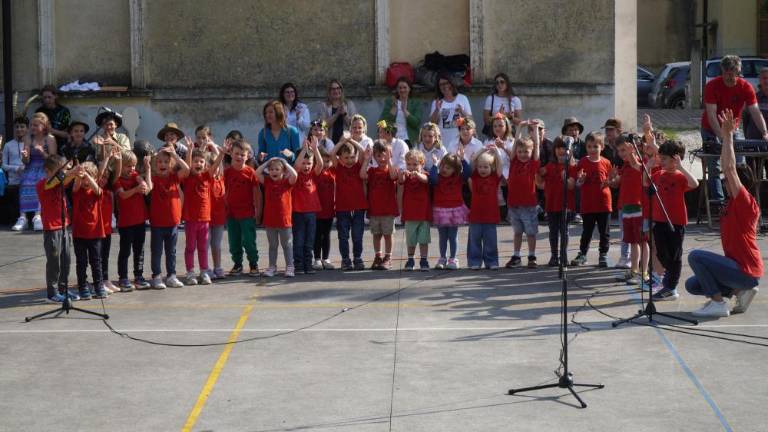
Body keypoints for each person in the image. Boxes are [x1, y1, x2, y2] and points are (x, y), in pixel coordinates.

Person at [686, 109, 763, 317]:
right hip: (739, 270)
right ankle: (740, 291)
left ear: (740, 185)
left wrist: (728, 135)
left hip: (746, 270)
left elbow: (729, 168)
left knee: (695, 256)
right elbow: (726, 170)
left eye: (729, 182)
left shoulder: (745, 201)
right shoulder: (732, 203)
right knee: (693, 285)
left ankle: (718, 303)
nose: (724, 181)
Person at [701, 55, 768, 206]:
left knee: (740, 166)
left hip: (733, 129)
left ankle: (739, 200)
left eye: (733, 74)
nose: (729, 77)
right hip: (711, 129)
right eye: (726, 74)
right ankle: (719, 204)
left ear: (738, 72)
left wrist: (764, 132)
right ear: (722, 72)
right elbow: (711, 115)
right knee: (715, 167)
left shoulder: (745, 87)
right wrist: (722, 136)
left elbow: (755, 111)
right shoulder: (712, 86)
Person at [648, 140, 699, 301]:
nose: (661, 161)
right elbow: (645, 182)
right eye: (660, 158)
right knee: (662, 252)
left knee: (675, 255)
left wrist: (681, 167)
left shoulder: (680, 177)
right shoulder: (659, 175)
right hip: (659, 219)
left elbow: (695, 183)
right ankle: (668, 280)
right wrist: (648, 166)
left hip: (676, 221)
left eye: (664, 158)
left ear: (675, 159)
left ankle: (670, 287)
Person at [212, 140, 262, 276]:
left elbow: (257, 193)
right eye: (236, 154)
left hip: (247, 213)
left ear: (248, 156)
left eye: (242, 154)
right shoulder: (226, 173)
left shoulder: (250, 172)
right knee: (234, 241)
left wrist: (258, 211)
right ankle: (237, 264)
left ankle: (253, 264)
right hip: (231, 214)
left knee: (249, 241)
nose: (239, 157)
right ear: (231, 154)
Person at [37, 155, 78, 302]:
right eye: (59, 169)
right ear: (48, 171)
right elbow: (53, 182)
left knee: (65, 260)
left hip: (63, 226)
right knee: (54, 262)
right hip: (52, 229)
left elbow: (65, 179)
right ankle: (52, 293)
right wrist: (70, 171)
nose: (63, 172)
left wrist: (73, 171)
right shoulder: (42, 184)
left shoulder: (60, 181)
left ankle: (63, 289)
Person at [609, 136, 648, 286]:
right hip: (626, 208)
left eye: (624, 149)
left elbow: (635, 163)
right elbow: (617, 183)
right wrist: (612, 178)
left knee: (642, 242)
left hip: (638, 207)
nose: (621, 153)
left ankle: (643, 273)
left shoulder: (640, 162)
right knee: (632, 241)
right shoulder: (624, 166)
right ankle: (634, 270)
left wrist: (632, 153)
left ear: (633, 147)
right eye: (619, 151)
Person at [570, 132, 613, 267]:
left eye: (595, 146)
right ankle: (583, 254)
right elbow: (578, 183)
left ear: (602, 147)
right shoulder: (582, 162)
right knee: (587, 231)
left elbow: (611, 180)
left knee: (604, 231)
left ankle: (603, 254)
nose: (592, 149)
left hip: (604, 203)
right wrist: (581, 180)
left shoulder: (606, 162)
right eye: (589, 146)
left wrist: (609, 182)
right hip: (588, 204)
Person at [149, 146, 189, 289]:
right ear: (155, 164)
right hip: (157, 223)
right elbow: (147, 186)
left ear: (171, 164)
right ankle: (157, 276)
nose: (162, 164)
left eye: (166, 161)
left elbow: (187, 170)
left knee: (171, 251)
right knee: (157, 251)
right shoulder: (153, 178)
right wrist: (148, 166)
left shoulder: (174, 177)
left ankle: (171, 275)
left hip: (172, 222)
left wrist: (175, 156)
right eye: (159, 162)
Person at [503, 122, 541, 269]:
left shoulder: (532, 164)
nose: (523, 154)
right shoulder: (514, 162)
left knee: (530, 233)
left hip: (529, 205)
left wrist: (535, 129)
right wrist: (519, 127)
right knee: (517, 232)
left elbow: (536, 145)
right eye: (520, 151)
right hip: (514, 205)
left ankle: (532, 255)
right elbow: (514, 142)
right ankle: (516, 255)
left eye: (526, 152)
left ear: (531, 153)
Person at [114, 150, 151, 291]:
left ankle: (138, 276)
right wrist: (136, 190)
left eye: (134, 165)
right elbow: (122, 195)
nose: (132, 169)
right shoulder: (117, 181)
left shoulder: (136, 176)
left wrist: (147, 171)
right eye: (128, 166)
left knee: (139, 250)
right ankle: (123, 277)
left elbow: (147, 188)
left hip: (140, 220)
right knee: (125, 251)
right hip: (126, 222)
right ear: (121, 166)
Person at [182, 145, 219, 286]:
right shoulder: (187, 177)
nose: (198, 164)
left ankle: (204, 272)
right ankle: (190, 272)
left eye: (201, 162)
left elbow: (215, 166)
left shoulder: (206, 176)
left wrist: (221, 153)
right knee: (190, 247)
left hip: (204, 219)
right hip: (190, 219)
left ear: (205, 165)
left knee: (203, 247)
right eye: (195, 161)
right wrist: (189, 151)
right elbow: (186, 166)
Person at [255, 157, 298, 277]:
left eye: (277, 169)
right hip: (270, 221)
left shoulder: (287, 183)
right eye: (272, 169)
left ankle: (290, 266)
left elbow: (294, 174)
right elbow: (257, 173)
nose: (274, 171)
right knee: (273, 245)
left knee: (287, 245)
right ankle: (272, 267)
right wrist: (267, 163)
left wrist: (285, 163)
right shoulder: (267, 181)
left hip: (284, 221)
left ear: (283, 171)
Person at [330, 134, 367, 271]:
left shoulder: (358, 166)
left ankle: (357, 257)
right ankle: (345, 259)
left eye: (352, 157)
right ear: (341, 158)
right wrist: (342, 142)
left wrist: (351, 140)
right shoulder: (338, 167)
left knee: (357, 235)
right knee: (343, 236)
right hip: (342, 208)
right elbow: (333, 153)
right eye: (346, 157)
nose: (350, 160)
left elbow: (362, 151)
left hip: (358, 207)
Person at [429, 149, 471, 270]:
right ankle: (442, 257)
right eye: (442, 166)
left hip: (454, 211)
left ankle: (453, 258)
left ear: (455, 169)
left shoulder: (458, 178)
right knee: (442, 236)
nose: (444, 169)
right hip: (440, 211)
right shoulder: (437, 178)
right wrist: (435, 165)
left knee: (453, 236)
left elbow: (468, 172)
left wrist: (462, 159)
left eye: (448, 168)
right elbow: (432, 179)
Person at [71, 161, 107, 300]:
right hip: (79, 233)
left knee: (96, 261)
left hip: (95, 233)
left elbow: (97, 189)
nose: (86, 180)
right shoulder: (77, 191)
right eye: (84, 178)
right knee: (81, 262)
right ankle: (83, 286)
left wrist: (87, 174)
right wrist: (79, 175)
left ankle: (98, 286)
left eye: (89, 177)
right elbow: (75, 186)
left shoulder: (96, 191)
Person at [538, 137, 576, 266]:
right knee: (553, 231)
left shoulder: (571, 166)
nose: (561, 151)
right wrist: (536, 174)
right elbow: (540, 183)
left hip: (566, 205)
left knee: (564, 231)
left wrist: (566, 179)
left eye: (564, 148)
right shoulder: (549, 166)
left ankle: (563, 255)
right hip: (551, 204)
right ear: (554, 150)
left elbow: (571, 185)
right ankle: (554, 255)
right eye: (558, 148)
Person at [362, 141, 399, 270]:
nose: (382, 158)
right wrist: (366, 159)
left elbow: (394, 176)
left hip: (388, 210)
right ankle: (378, 256)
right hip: (374, 210)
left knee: (388, 235)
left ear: (390, 155)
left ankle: (388, 258)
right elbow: (362, 175)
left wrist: (389, 161)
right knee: (376, 235)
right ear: (374, 157)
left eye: (385, 155)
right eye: (378, 156)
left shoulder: (392, 169)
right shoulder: (372, 171)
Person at [467, 147, 503, 270]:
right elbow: (472, 162)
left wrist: (496, 153)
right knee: (474, 241)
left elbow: (500, 165)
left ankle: (492, 261)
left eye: (486, 167)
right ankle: (474, 262)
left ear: (491, 168)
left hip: (490, 216)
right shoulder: (475, 177)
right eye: (480, 167)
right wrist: (481, 150)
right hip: (476, 216)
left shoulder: (494, 177)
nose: (482, 169)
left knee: (491, 241)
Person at [21, 113, 57, 231]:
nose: (32, 127)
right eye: (31, 125)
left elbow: (53, 160)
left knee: (40, 181)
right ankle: (23, 217)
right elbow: (26, 162)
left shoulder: (50, 138)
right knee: (26, 181)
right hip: (31, 166)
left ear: (44, 126)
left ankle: (38, 216)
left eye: (36, 125)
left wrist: (42, 152)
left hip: (46, 166)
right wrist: (25, 156)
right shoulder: (28, 138)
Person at [292, 138, 323, 275]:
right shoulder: (296, 174)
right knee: (298, 240)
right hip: (298, 212)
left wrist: (315, 150)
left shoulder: (312, 174)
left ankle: (308, 264)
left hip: (311, 213)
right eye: (304, 163)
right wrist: (304, 149)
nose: (306, 166)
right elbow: (296, 166)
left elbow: (320, 164)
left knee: (309, 240)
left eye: (309, 163)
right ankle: (298, 264)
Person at [400, 150, 431, 271]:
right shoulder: (406, 176)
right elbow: (400, 180)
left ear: (422, 164)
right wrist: (403, 173)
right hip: (410, 213)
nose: (411, 167)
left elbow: (425, 179)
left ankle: (424, 260)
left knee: (423, 240)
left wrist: (417, 174)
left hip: (423, 214)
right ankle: (410, 259)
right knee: (411, 240)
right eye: (409, 164)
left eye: (415, 165)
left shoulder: (425, 174)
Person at [430, 74, 472, 147]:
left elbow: (471, 121)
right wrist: (437, 109)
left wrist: (462, 112)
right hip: (443, 142)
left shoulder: (462, 98)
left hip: (461, 141)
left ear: (452, 83)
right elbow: (432, 124)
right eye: (441, 84)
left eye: (447, 83)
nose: (445, 86)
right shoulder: (436, 102)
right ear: (438, 87)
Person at [379, 77, 423, 147]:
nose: (402, 90)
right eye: (400, 88)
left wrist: (405, 111)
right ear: (397, 89)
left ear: (409, 89)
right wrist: (392, 112)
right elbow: (381, 124)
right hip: (392, 140)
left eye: (405, 87)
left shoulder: (416, 103)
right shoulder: (390, 102)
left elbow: (416, 123)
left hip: (409, 140)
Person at [312, 147, 336, 270]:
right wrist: (315, 149)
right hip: (317, 210)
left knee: (326, 235)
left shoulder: (332, 171)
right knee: (317, 235)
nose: (325, 164)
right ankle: (316, 258)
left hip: (329, 209)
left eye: (328, 161)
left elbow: (333, 154)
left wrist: (344, 140)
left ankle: (325, 258)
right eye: (323, 161)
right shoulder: (315, 172)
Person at [5, 116, 29, 231]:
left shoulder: (30, 144)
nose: (19, 129)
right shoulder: (8, 145)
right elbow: (3, 165)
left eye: (22, 126)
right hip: (14, 180)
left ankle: (33, 217)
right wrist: (16, 169)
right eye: (17, 127)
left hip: (28, 179)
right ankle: (21, 218)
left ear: (27, 128)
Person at [208, 146, 227, 280]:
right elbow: (215, 163)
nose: (217, 169)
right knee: (205, 244)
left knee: (216, 244)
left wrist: (215, 146)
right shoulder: (206, 178)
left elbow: (220, 164)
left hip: (219, 217)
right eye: (213, 166)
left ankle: (217, 266)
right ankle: (206, 268)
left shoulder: (221, 179)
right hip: (206, 217)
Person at [319, 79, 358, 144]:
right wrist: (337, 114)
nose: (336, 91)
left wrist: (344, 114)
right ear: (329, 91)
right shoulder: (324, 106)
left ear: (341, 90)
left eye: (338, 88)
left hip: (346, 142)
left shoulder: (349, 104)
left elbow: (354, 125)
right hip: (329, 141)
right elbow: (322, 126)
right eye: (333, 89)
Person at [744, 67, 768, 140]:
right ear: (759, 80)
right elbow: (745, 119)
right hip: (754, 140)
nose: (767, 81)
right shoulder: (753, 98)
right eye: (764, 78)